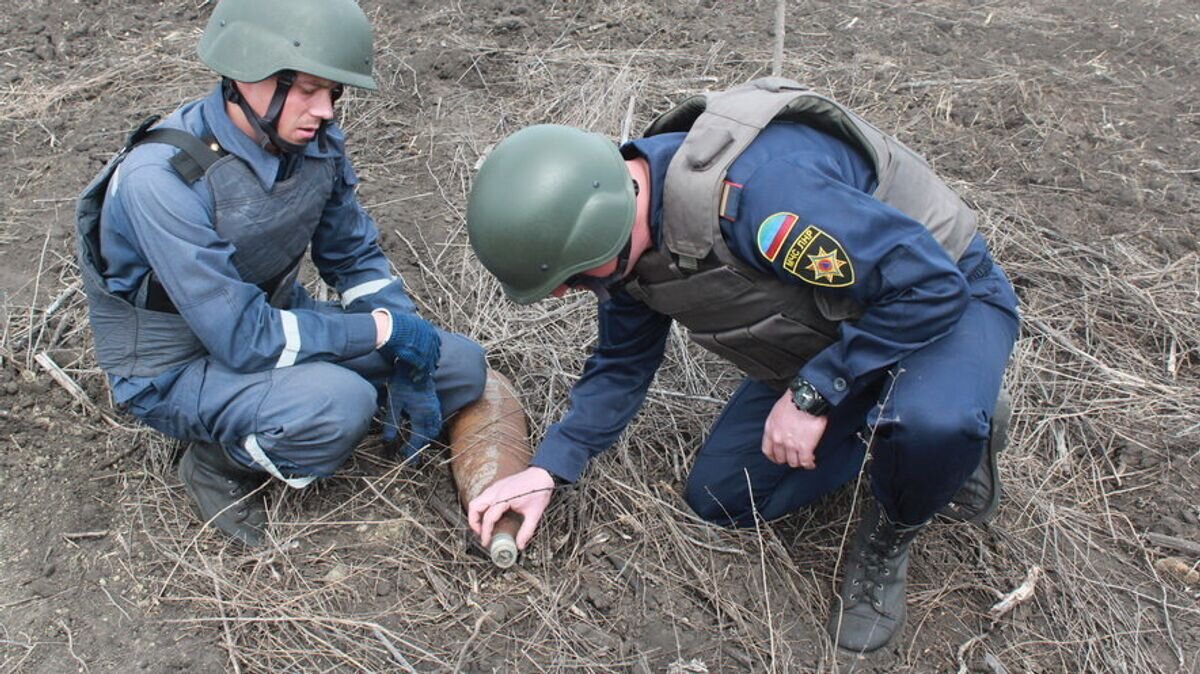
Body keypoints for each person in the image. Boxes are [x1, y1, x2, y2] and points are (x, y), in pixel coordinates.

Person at [464, 78, 1019, 653]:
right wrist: (551, 467)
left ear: (605, 222)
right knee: (724, 499)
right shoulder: (624, 241)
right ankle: (915, 414)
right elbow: (624, 361)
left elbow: (931, 286)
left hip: (945, 299)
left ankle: (905, 509)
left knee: (934, 422)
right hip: (845, 327)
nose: (568, 294)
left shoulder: (764, 198)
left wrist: (813, 393)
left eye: (573, 278)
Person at [74, 0, 488, 547]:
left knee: (459, 365)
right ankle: (218, 460)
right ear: (248, 72)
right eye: (309, 89)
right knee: (340, 405)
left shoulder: (313, 147)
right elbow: (241, 338)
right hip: (173, 364)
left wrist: (404, 337)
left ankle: (309, 403)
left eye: (333, 93)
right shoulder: (162, 178)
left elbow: (352, 257)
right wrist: (379, 334)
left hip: (267, 319)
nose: (326, 111)